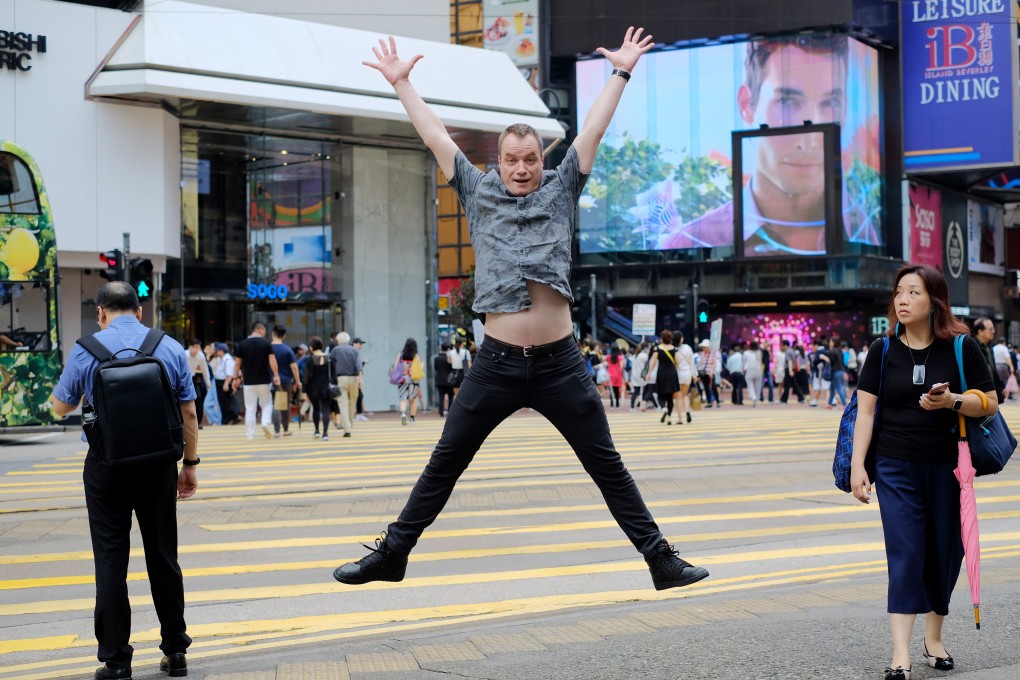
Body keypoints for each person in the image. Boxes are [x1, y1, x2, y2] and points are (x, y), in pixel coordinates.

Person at [333, 29, 708, 592]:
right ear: (500, 161)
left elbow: (593, 129)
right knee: (445, 460)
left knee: (606, 465)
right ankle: (392, 554)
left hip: (561, 365)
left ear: (540, 159)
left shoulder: (562, 188)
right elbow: (435, 136)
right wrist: (402, 83)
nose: (522, 168)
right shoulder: (477, 191)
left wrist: (621, 72)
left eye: (530, 159)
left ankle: (661, 561)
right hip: (496, 364)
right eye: (512, 160)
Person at [850, 264, 996, 680]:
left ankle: (934, 638)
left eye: (914, 292)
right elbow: (865, 412)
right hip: (895, 466)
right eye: (899, 292)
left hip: (948, 467)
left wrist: (952, 401)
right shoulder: (882, 350)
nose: (903, 299)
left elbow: (989, 402)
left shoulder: (961, 348)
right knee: (906, 552)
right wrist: (858, 465)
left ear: (935, 301)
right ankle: (900, 654)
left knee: (945, 552)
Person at [50, 282, 199, 680]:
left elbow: (61, 406)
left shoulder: (86, 349)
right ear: (140, 311)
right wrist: (189, 465)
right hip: (158, 467)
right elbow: (188, 413)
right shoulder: (169, 347)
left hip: (106, 468)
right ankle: (175, 652)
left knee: (110, 562)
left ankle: (117, 662)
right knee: (163, 556)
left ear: (101, 312)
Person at [658, 34, 879, 254]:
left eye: (830, 103)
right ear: (746, 104)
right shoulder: (690, 244)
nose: (808, 141)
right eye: (786, 102)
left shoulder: (870, 234)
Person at [230, 322, 281, 440]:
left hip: (248, 382)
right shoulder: (266, 343)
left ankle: (250, 434)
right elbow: (272, 360)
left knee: (250, 408)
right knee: (267, 404)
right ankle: (265, 422)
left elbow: (237, 364)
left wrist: (235, 378)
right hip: (265, 381)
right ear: (261, 329)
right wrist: (276, 375)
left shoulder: (242, 344)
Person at [329, 331, 362, 437]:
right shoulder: (355, 350)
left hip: (340, 378)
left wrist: (331, 380)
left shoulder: (335, 350)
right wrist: (360, 381)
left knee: (342, 404)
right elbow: (359, 367)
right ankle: (350, 423)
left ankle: (347, 429)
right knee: (352, 402)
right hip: (354, 378)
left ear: (338, 340)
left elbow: (331, 366)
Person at [270, 325, 301, 437]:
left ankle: (276, 430)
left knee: (275, 404)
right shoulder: (287, 349)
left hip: (270, 380)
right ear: (284, 336)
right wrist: (298, 381)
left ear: (272, 334)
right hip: (285, 381)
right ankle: (285, 429)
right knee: (283, 405)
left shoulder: (267, 348)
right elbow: (294, 367)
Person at [646, 330, 680, 425]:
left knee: (660, 395)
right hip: (672, 374)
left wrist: (649, 373)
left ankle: (663, 408)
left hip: (661, 373)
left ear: (662, 339)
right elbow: (679, 361)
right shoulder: (674, 349)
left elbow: (653, 362)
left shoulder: (658, 348)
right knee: (670, 397)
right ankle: (669, 418)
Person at [303, 336, 333, 440]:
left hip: (313, 389)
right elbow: (334, 375)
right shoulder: (329, 359)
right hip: (326, 388)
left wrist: (304, 390)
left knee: (316, 409)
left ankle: (316, 431)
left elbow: (306, 376)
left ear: (311, 347)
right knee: (325, 410)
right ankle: (325, 433)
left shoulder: (309, 360)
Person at [970, 317, 1005, 403]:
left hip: (991, 392)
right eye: (990, 329)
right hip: (978, 394)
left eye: (993, 329)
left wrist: (1001, 387)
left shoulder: (989, 345)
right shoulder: (971, 346)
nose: (993, 331)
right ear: (980, 331)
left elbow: (993, 369)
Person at [392, 337, 422, 425]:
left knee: (403, 398)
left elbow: (395, 365)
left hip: (403, 379)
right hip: (414, 379)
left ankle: (403, 414)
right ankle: (412, 418)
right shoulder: (416, 356)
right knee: (412, 400)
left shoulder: (401, 355)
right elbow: (420, 368)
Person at [187, 339, 211, 429]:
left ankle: (199, 422)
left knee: (199, 398)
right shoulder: (184, 354)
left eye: (198, 347)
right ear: (190, 347)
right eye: (195, 347)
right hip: (184, 379)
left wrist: (208, 382)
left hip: (194, 378)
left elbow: (205, 369)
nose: (196, 350)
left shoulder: (201, 356)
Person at [212, 342, 238, 425]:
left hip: (223, 382)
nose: (216, 352)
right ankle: (227, 419)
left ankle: (233, 417)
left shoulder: (228, 360)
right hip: (220, 382)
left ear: (222, 351)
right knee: (222, 402)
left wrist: (226, 384)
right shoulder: (223, 359)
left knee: (225, 402)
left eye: (217, 351)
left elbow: (229, 374)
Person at [352, 338, 371, 420]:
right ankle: (357, 414)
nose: (361, 346)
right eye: (360, 344)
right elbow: (357, 367)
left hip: (353, 376)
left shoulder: (354, 352)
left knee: (359, 395)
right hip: (353, 377)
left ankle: (357, 414)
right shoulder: (354, 352)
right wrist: (360, 380)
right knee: (358, 396)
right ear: (355, 343)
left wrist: (363, 362)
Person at [434, 342, 454, 417]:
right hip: (449, 379)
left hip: (439, 379)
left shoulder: (437, 358)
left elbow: (436, 369)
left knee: (441, 396)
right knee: (451, 396)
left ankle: (441, 412)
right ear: (448, 349)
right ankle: (450, 411)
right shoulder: (450, 358)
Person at [742, 341, 764, 408]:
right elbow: (761, 361)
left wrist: (743, 369)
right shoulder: (759, 352)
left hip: (749, 370)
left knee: (750, 385)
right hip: (758, 370)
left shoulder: (746, 353)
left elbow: (744, 362)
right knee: (758, 386)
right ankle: (757, 397)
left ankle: (753, 396)